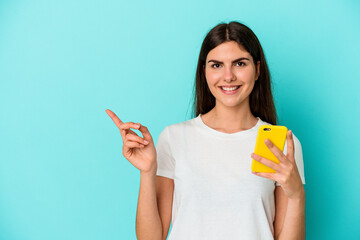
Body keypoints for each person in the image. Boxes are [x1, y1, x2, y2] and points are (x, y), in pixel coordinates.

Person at [106, 21, 306, 240]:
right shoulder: (174, 138)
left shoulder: (280, 143)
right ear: (204, 72)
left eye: (239, 63)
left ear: (257, 70)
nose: (228, 76)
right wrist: (147, 172)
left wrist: (297, 195)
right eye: (216, 65)